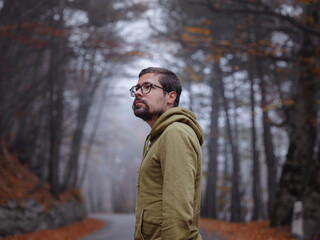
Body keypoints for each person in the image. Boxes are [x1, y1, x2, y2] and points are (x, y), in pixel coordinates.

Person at [130, 67, 204, 240]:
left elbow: (177, 211)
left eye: (148, 87)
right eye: (137, 88)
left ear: (171, 97)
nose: (138, 93)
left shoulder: (175, 133)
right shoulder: (160, 137)